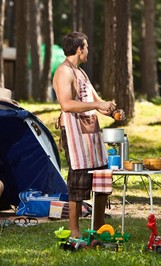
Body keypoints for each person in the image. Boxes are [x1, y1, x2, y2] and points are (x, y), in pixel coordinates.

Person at [53, 32, 123, 238]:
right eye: (86, 47)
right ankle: (74, 231)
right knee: (78, 183)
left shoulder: (81, 73)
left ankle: (99, 225)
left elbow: (96, 101)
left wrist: (111, 110)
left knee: (102, 180)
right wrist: (97, 104)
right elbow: (66, 104)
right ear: (78, 49)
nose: (88, 51)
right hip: (75, 135)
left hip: (91, 133)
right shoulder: (64, 72)